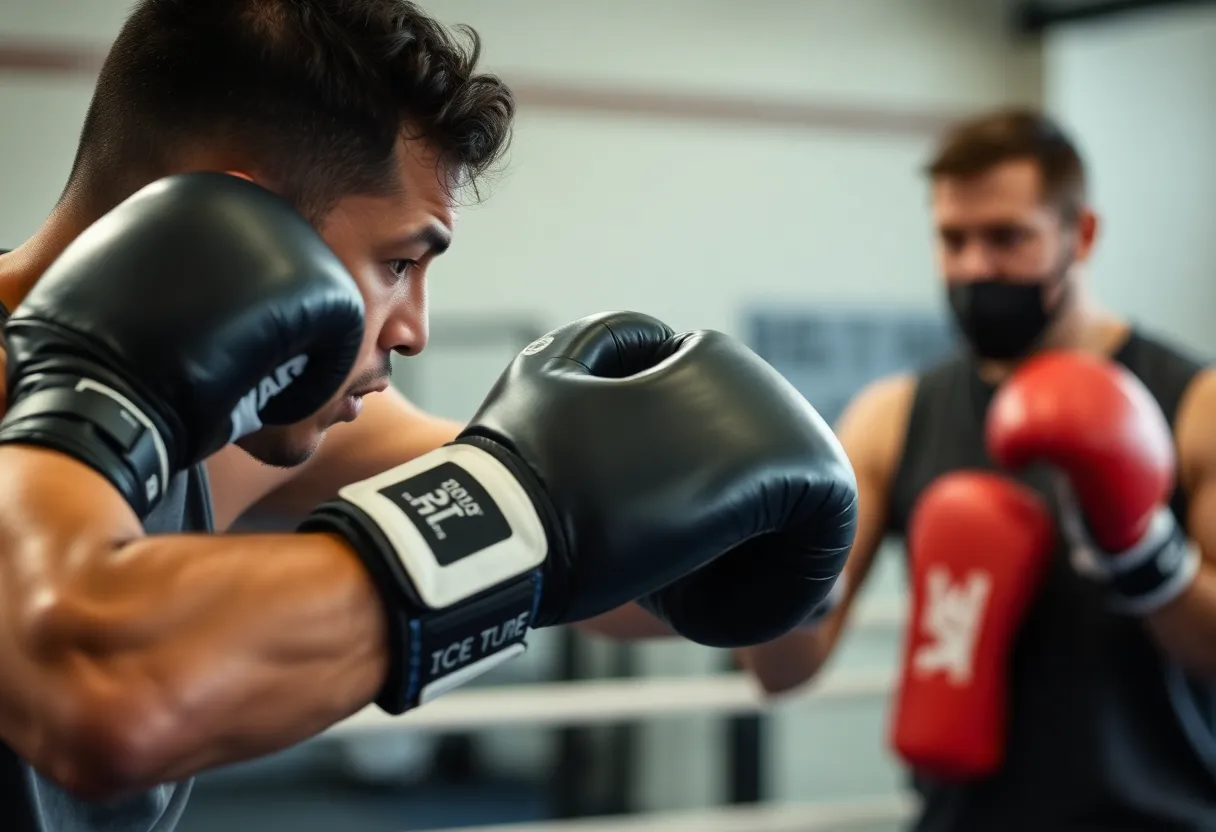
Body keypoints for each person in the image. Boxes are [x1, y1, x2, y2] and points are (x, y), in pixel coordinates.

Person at [0, 2, 861, 831]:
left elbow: (557, 547)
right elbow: (102, 691)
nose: (413, 330)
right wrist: (527, 513)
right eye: (399, 263)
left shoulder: (247, 423)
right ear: (229, 229)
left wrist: (761, 547)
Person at [713, 108, 1216, 830]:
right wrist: (759, 562)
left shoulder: (1194, 404)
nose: (977, 266)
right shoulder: (892, 417)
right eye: (954, 240)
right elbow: (783, 673)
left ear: (1082, 235)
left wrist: (1145, 554)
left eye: (1007, 238)